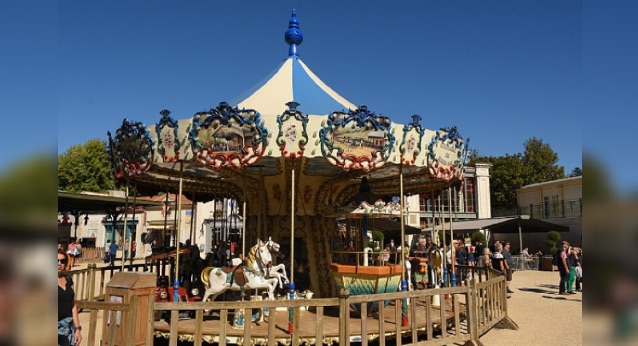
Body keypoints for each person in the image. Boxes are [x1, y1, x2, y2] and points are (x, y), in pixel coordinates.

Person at [58, 250, 82, 346]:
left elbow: (73, 305)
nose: (59, 263)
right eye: (57, 260)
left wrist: (77, 328)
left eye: (62, 261)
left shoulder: (68, 279)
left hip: (68, 326)